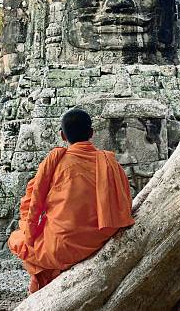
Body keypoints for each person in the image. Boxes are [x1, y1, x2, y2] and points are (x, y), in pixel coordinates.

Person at [8, 108, 135, 293]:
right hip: (100, 238)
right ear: (92, 133)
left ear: (62, 135)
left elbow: (32, 203)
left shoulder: (56, 162)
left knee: (16, 239)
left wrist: (30, 235)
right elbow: (125, 202)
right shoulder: (109, 162)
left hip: (61, 247)